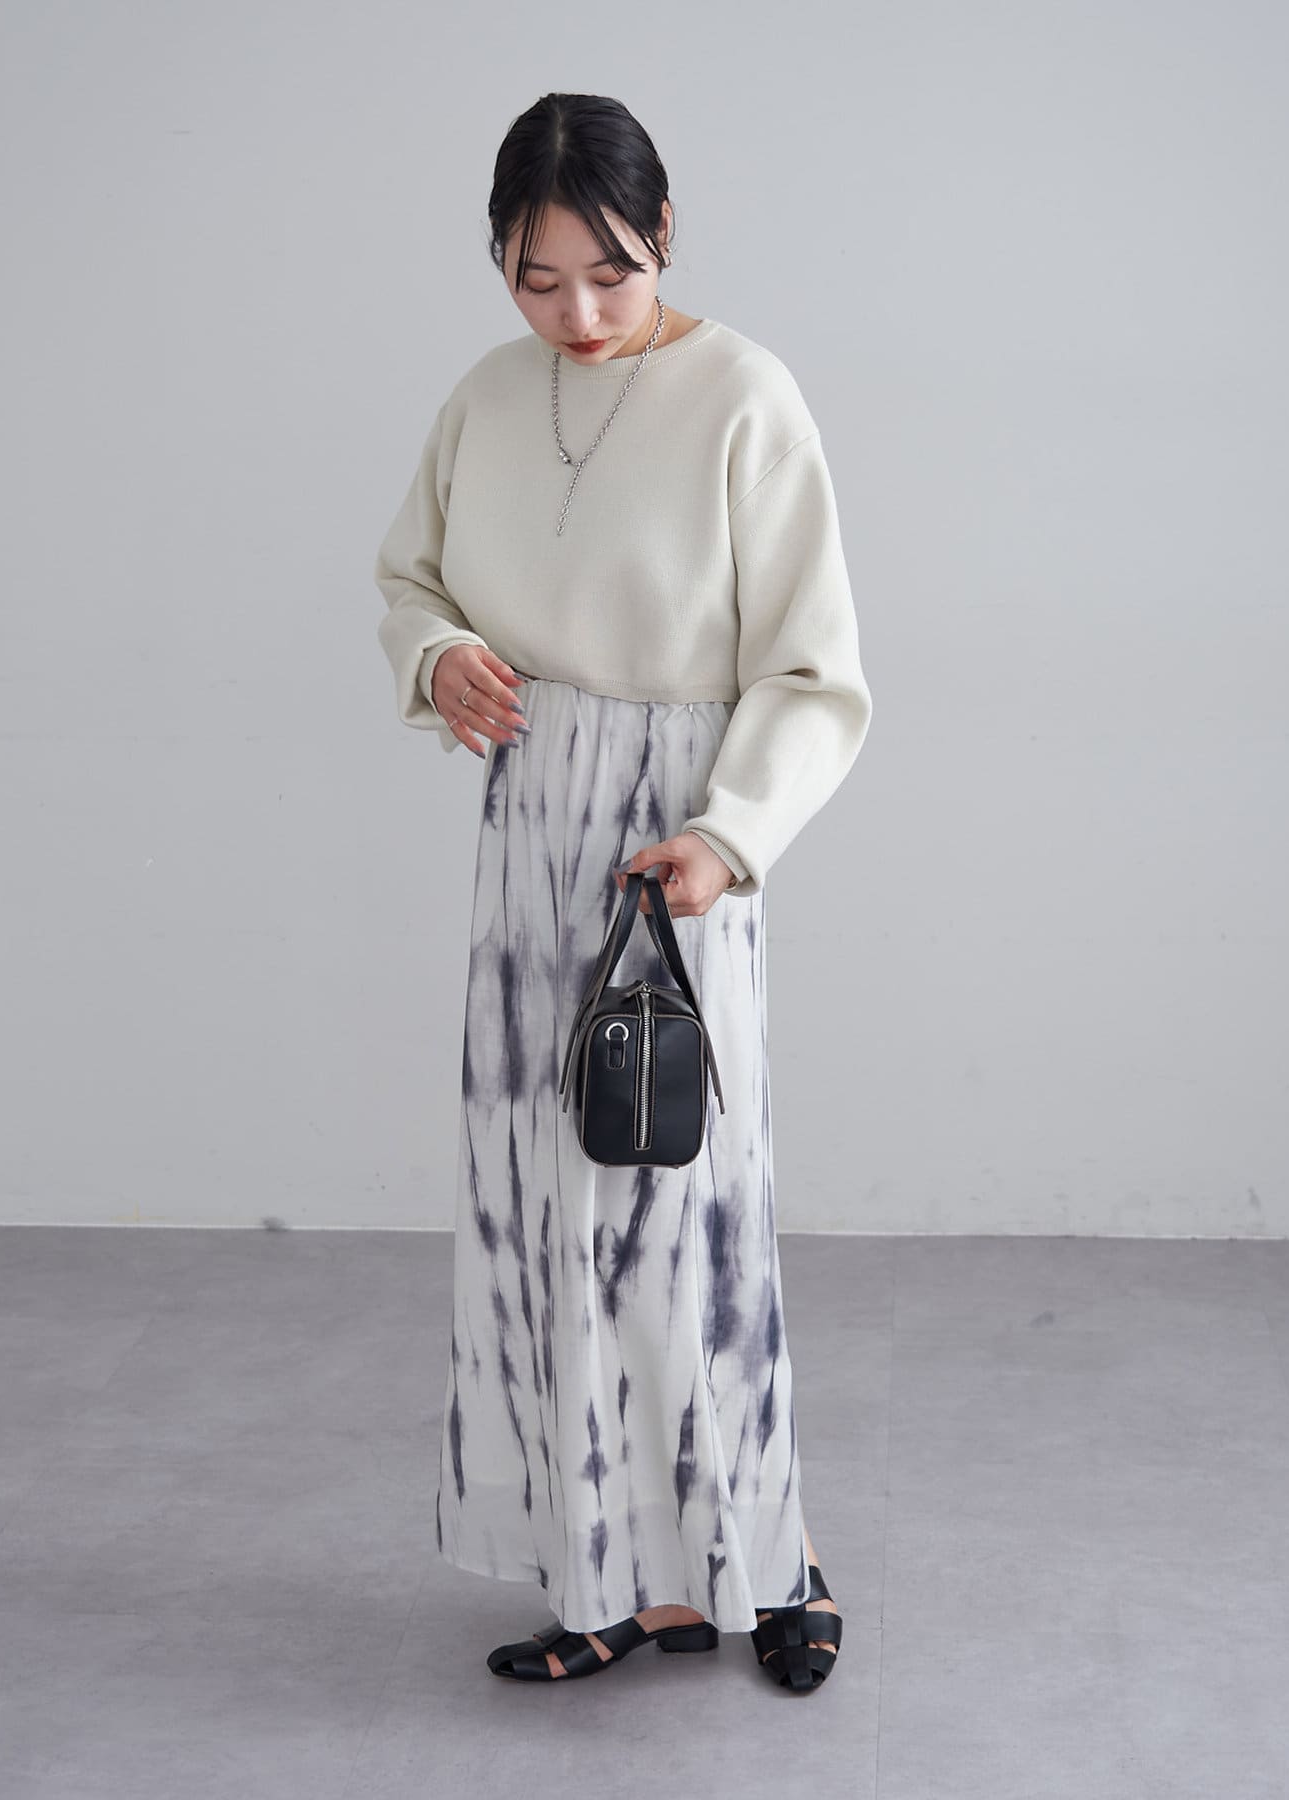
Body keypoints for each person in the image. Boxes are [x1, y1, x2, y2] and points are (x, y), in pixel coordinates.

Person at [372, 92, 871, 1694]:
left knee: (685, 1207)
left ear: (666, 234)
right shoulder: (485, 397)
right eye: (538, 280)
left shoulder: (745, 397)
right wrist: (443, 658)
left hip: (677, 846)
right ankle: (609, 1580)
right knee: (549, 1206)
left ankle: (770, 1556)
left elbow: (811, 664)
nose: (578, 315)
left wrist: (730, 835)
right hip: (531, 836)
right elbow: (413, 580)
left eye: (610, 273)